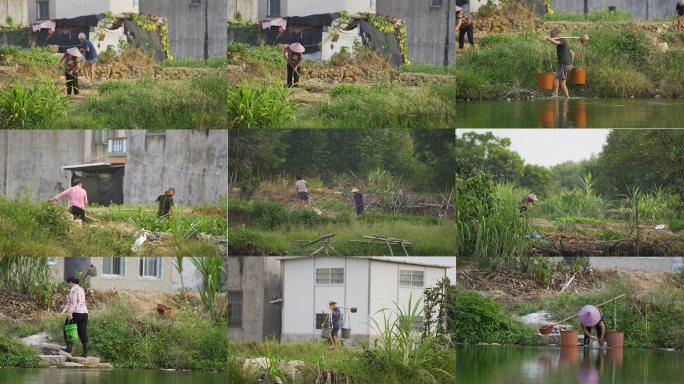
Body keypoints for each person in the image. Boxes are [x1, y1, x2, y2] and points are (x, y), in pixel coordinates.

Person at [61, 277, 89, 357]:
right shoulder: (81, 289)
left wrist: (70, 313)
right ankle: (85, 353)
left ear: (71, 282)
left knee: (68, 327)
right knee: (82, 332)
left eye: (68, 284)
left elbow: (73, 302)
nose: (67, 285)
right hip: (84, 313)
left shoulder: (73, 290)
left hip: (76, 312)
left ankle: (69, 348)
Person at [542, 29, 575, 98]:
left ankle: (567, 98)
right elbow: (572, 53)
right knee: (555, 76)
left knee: (562, 83)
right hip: (566, 64)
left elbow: (556, 43)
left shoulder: (562, 39)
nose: (551, 37)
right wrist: (571, 63)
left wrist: (548, 38)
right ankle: (555, 93)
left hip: (564, 64)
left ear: (554, 35)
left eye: (551, 36)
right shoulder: (563, 43)